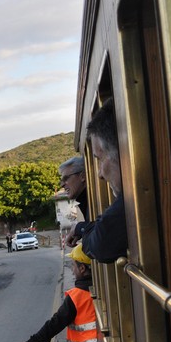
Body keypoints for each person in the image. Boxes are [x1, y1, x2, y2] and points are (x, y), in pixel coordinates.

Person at [64, 98, 127, 262]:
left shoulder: (134, 198)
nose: (99, 174)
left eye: (100, 159)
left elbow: (102, 243)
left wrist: (81, 228)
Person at [59, 155, 88, 223]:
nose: (62, 185)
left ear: (82, 176)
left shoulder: (95, 200)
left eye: (66, 178)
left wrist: (78, 228)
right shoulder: (86, 202)